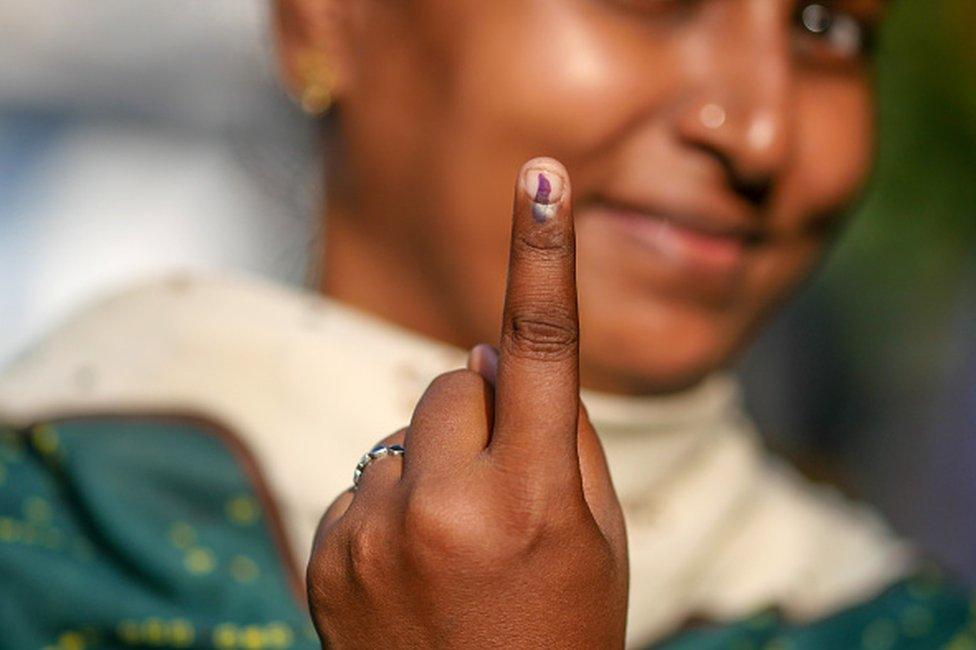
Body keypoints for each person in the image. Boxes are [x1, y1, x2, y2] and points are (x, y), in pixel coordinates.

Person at [0, 0, 971, 648]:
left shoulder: (889, 619)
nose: (761, 131)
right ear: (326, 20)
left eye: (826, 26)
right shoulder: (44, 531)